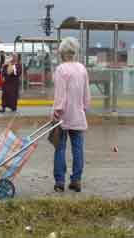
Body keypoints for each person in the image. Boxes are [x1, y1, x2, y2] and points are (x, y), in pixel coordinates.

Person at [52, 37, 91, 193]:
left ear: (62, 53)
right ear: (74, 52)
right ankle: (76, 180)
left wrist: (56, 111)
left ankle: (60, 181)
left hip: (63, 116)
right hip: (78, 115)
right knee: (78, 148)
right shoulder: (82, 69)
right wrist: (84, 108)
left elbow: (60, 95)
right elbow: (86, 94)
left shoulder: (61, 69)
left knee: (60, 148)